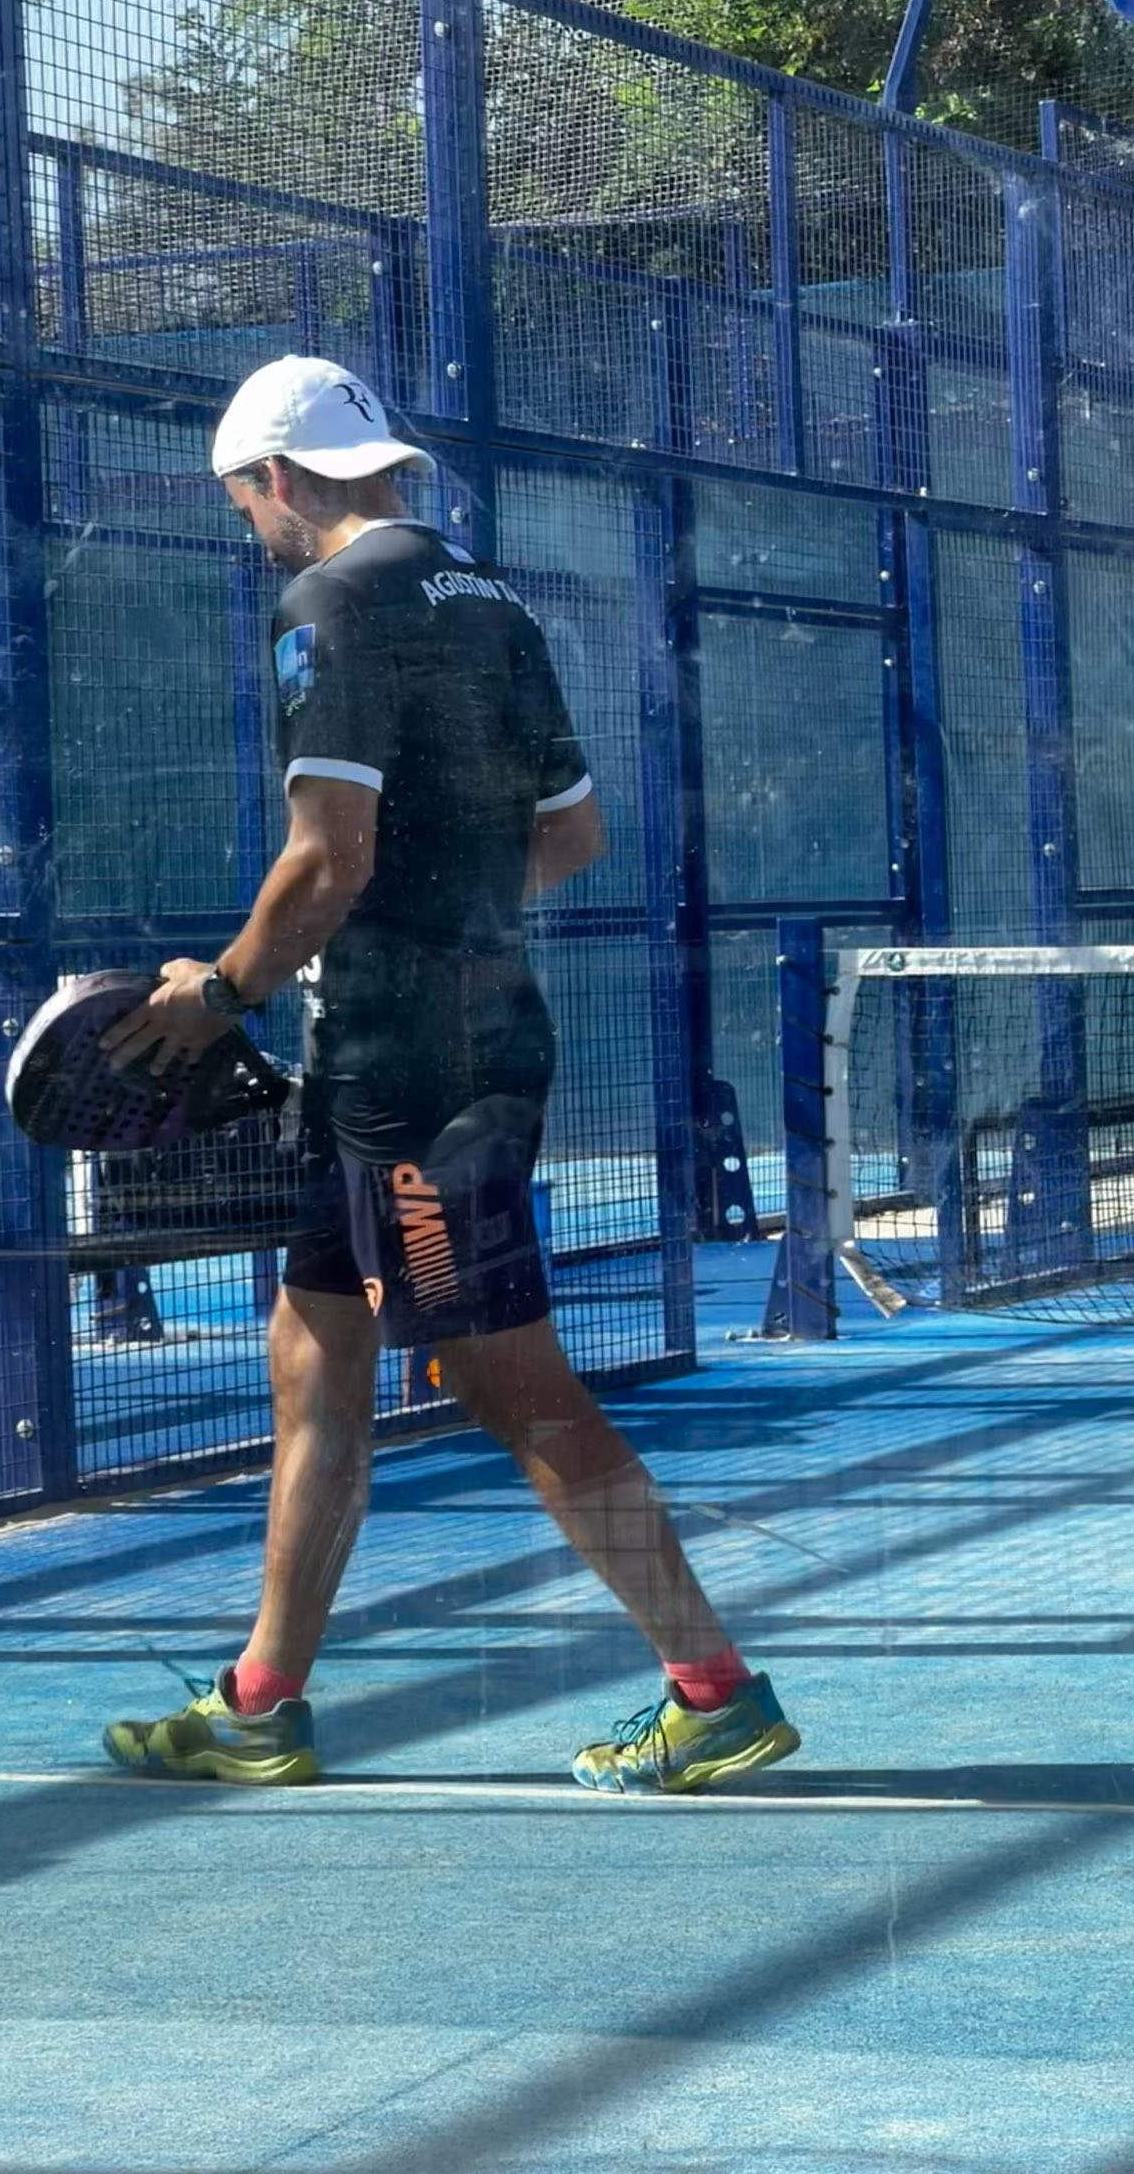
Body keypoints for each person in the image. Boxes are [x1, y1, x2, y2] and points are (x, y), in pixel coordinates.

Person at [99, 355, 799, 1793]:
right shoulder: (493, 601)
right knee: (315, 1358)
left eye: (244, 504)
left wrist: (218, 994)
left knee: (514, 1385)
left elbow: (326, 860)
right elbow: (572, 835)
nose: (251, 529)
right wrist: (446, 927)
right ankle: (260, 1703)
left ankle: (716, 1692)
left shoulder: (328, 606)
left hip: (408, 1077)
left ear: (275, 480)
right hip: (411, 1053)